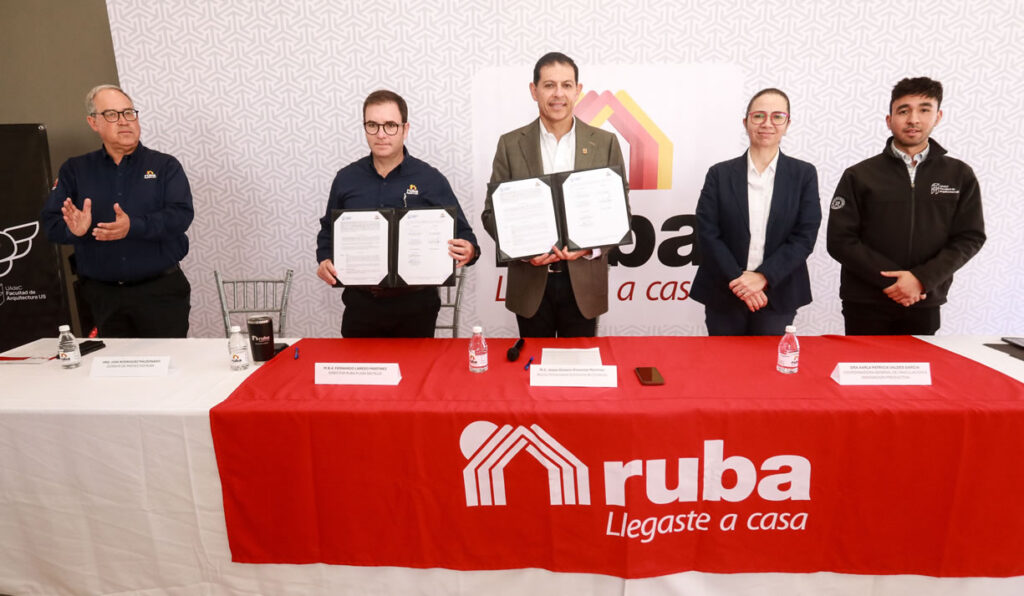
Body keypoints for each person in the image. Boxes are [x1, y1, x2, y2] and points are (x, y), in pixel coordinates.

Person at [482, 52, 627, 338]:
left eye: (566, 85)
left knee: (580, 364)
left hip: (584, 285)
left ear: (578, 90)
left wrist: (591, 249)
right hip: (531, 284)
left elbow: (621, 213)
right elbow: (491, 214)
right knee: (533, 364)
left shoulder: (605, 143)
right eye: (549, 85)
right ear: (534, 90)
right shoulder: (510, 144)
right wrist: (525, 254)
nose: (558, 94)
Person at [827, 77, 985, 335]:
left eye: (924, 110)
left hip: (924, 299)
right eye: (903, 111)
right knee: (863, 363)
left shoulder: (959, 175)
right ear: (889, 120)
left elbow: (970, 237)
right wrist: (895, 282)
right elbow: (840, 240)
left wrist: (921, 280)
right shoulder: (859, 175)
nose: (913, 119)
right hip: (865, 302)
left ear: (938, 116)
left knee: (919, 363)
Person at [316, 89, 479, 338]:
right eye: (373, 125)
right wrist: (325, 259)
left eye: (390, 125)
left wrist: (469, 249)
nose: (381, 134)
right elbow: (328, 230)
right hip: (360, 306)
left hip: (416, 309)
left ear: (405, 128)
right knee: (358, 365)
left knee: (416, 365)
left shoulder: (430, 179)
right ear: (365, 128)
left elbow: (465, 236)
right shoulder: (346, 179)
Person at [40, 84, 194, 338]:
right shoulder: (75, 170)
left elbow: (181, 216)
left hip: (161, 294)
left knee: (169, 362)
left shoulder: (165, 166)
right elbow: (51, 225)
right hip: (102, 298)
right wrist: (75, 230)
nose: (124, 121)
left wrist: (133, 226)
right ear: (93, 122)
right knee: (109, 363)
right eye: (112, 114)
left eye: (129, 113)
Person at [691, 88, 822, 335]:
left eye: (777, 116)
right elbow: (707, 232)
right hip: (724, 289)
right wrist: (740, 281)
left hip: (778, 291)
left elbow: (804, 236)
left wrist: (763, 277)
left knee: (767, 360)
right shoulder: (719, 174)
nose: (767, 123)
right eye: (759, 116)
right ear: (746, 122)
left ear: (788, 124)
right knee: (724, 359)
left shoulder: (803, 174)